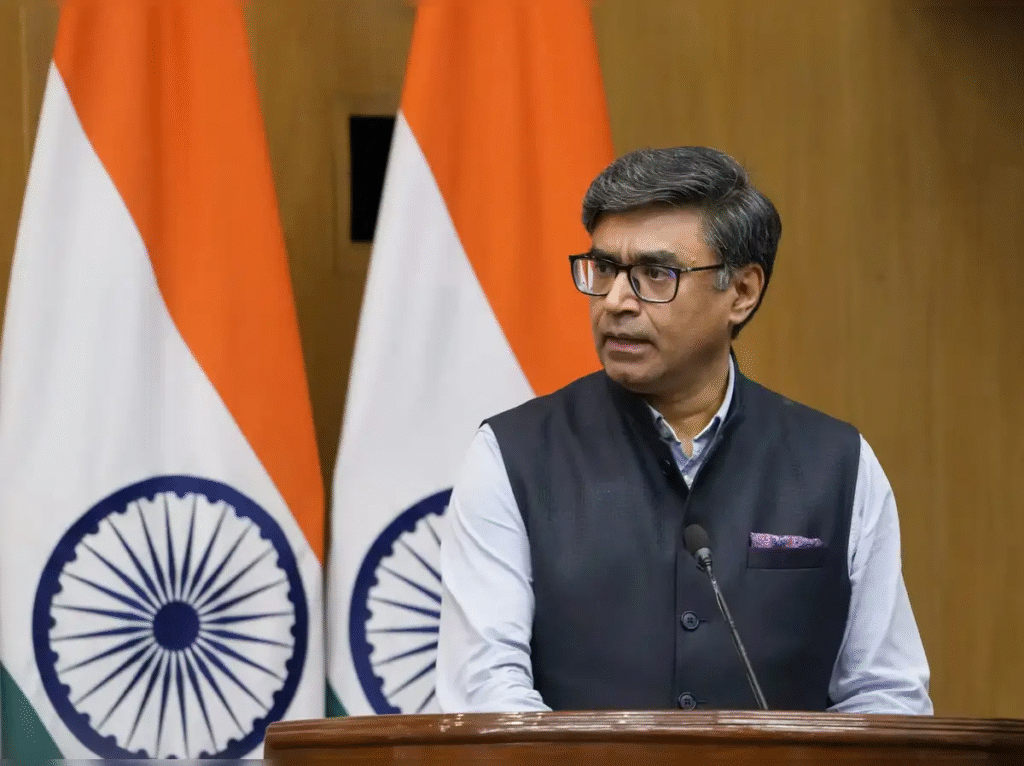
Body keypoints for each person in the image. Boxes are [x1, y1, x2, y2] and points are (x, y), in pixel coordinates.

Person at [436, 146, 932, 714]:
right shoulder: (512, 457)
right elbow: (487, 693)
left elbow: (885, 693)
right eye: (604, 269)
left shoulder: (838, 465)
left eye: (655, 274)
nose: (616, 302)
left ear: (741, 292)